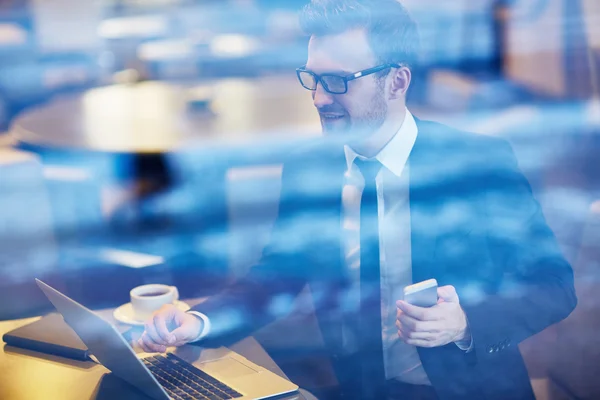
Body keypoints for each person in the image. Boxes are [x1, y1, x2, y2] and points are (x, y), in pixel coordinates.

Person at [139, 1, 577, 399]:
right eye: (312, 77)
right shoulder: (308, 168)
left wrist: (465, 323)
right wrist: (199, 321)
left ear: (397, 81)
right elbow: (276, 276)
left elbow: (555, 287)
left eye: (338, 81)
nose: (319, 98)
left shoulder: (478, 165)